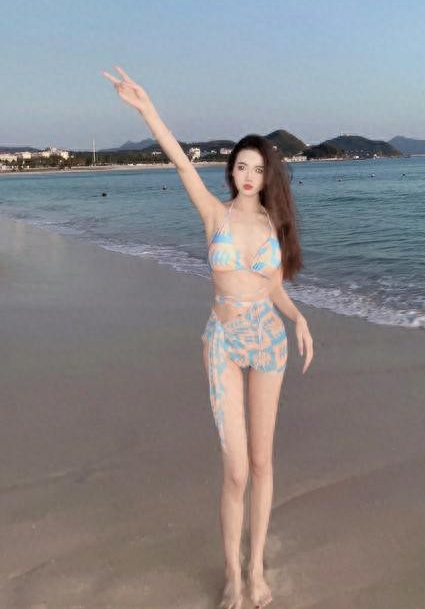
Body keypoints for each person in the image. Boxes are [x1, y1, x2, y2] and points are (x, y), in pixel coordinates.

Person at [102, 65, 314, 609]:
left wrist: (299, 318)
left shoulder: (273, 225)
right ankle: (232, 576)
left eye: (258, 169)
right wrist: (147, 109)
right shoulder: (213, 214)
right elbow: (179, 160)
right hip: (222, 340)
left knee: (263, 464)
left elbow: (273, 287)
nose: (248, 175)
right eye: (241, 166)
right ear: (231, 171)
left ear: (268, 176)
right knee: (236, 471)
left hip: (268, 342)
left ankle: (256, 569)